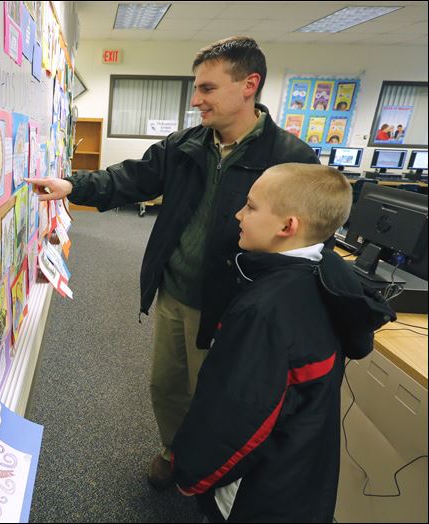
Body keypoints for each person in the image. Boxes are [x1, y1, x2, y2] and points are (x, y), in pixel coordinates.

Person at [25, 35, 320, 489]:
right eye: (195, 88)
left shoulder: (290, 159)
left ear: (249, 85)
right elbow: (132, 179)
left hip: (232, 306)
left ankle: (213, 477)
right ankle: (173, 450)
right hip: (174, 292)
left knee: (221, 399)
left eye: (207, 89)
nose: (196, 99)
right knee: (167, 387)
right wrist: (73, 186)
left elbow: (306, 242)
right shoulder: (186, 144)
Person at [171, 163, 395, 522]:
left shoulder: (263, 311)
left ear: (288, 226)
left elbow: (237, 415)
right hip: (303, 467)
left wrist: (192, 474)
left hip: (258, 485)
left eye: (251, 206)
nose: (238, 214)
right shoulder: (326, 272)